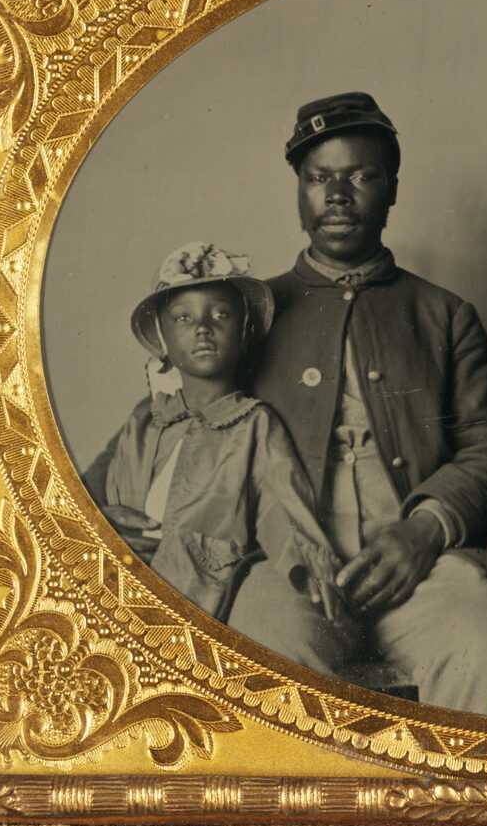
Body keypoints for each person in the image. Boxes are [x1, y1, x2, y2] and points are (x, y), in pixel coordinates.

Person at [227, 92, 487, 714]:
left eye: (361, 176)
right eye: (319, 178)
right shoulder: (250, 315)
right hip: (287, 564)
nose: (338, 194)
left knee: (481, 648)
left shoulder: (444, 315)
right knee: (264, 655)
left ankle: (464, 811)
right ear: (299, 191)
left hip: (422, 563)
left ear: (391, 190)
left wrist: (423, 529)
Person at [86, 241, 359, 667]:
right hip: (126, 584)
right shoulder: (145, 421)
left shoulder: (253, 424)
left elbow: (282, 507)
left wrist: (308, 566)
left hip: (204, 588)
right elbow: (91, 496)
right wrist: (103, 520)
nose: (203, 328)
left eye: (221, 315)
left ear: (244, 331)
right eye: (183, 318)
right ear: (162, 338)